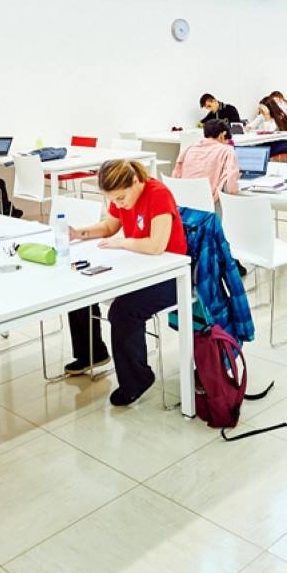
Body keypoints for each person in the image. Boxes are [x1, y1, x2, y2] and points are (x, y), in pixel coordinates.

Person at [64, 160, 188, 406]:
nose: (119, 204)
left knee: (123, 311)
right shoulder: (123, 195)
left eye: (121, 198)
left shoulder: (158, 194)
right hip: (141, 267)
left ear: (135, 181)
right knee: (77, 289)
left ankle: (137, 380)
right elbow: (111, 226)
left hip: (172, 275)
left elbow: (156, 245)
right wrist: (80, 233)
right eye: (114, 201)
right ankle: (92, 353)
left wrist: (122, 242)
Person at [172, 119, 239, 201]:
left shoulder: (188, 150)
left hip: (183, 203)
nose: (227, 143)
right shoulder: (227, 150)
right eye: (227, 140)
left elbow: (175, 177)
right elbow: (231, 189)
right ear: (221, 136)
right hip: (207, 204)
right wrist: (235, 176)